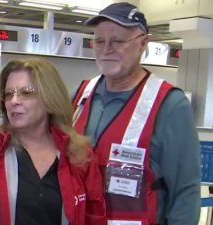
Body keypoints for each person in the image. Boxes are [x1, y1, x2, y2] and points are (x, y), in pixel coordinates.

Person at [0, 58, 105, 225]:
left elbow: (94, 218)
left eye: (26, 92)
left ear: (49, 98)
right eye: (8, 94)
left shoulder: (79, 155)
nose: (14, 101)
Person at [72, 2, 200, 225]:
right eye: (99, 41)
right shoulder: (80, 96)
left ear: (143, 43)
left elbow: (185, 192)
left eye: (118, 41)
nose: (106, 49)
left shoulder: (170, 105)